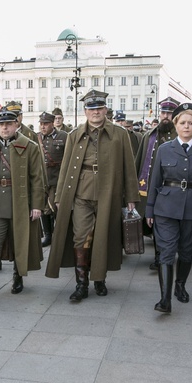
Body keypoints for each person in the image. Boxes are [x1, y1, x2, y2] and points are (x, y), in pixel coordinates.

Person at [45, 90, 140, 301]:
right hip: (81, 192)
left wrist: (131, 197)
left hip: (110, 192)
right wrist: (60, 196)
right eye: (91, 109)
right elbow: (66, 168)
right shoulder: (74, 135)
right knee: (81, 236)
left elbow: (129, 167)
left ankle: (100, 279)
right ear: (85, 111)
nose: (95, 112)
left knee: (103, 235)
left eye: (99, 108)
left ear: (105, 110)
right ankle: (81, 284)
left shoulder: (120, 134)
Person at [146, 103, 192, 313]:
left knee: (186, 251)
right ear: (176, 125)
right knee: (166, 251)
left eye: (191, 123)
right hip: (166, 207)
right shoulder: (164, 149)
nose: (187, 127)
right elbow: (155, 181)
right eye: (183, 123)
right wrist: (149, 210)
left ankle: (180, 285)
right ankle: (164, 299)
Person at [0, 107, 45, 300]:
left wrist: (37, 205)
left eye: (8, 124)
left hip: (20, 203)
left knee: (19, 241)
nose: (4, 128)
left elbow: (37, 178)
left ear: (16, 125)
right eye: (1, 124)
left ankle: (18, 278)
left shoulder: (30, 146)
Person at [134, 97, 180, 270]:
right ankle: (159, 256)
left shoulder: (180, 135)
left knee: (167, 224)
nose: (166, 116)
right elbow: (139, 161)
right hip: (151, 187)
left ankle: (164, 255)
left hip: (172, 187)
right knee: (153, 223)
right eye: (163, 112)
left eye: (169, 113)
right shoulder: (149, 135)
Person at [37, 111, 67, 247]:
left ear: (52, 123)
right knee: (43, 208)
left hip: (57, 178)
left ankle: (58, 234)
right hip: (42, 179)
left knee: (55, 207)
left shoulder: (63, 136)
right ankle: (48, 235)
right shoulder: (36, 138)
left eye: (46, 124)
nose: (43, 127)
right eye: (41, 124)